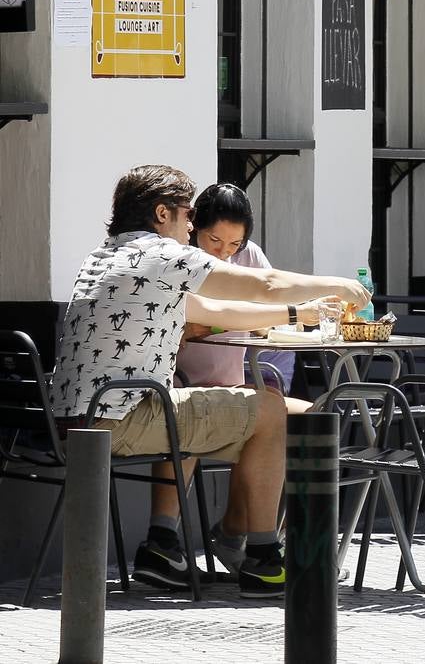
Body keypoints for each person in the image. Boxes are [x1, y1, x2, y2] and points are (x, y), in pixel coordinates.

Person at [50, 165, 371, 598]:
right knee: (270, 407)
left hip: (75, 422)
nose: (190, 228)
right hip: (119, 421)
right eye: (188, 217)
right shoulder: (161, 254)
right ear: (163, 214)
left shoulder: (108, 255)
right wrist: (341, 285)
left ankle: (179, 544)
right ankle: (261, 559)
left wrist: (298, 313)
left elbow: (214, 314)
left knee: (229, 405)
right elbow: (268, 283)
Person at [176, 183, 297, 393]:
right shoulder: (180, 258)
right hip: (180, 386)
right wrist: (182, 332)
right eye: (214, 239)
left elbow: (280, 307)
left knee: (292, 406)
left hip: (232, 385)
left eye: (235, 244)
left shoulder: (248, 254)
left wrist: (264, 324)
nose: (223, 252)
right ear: (194, 228)